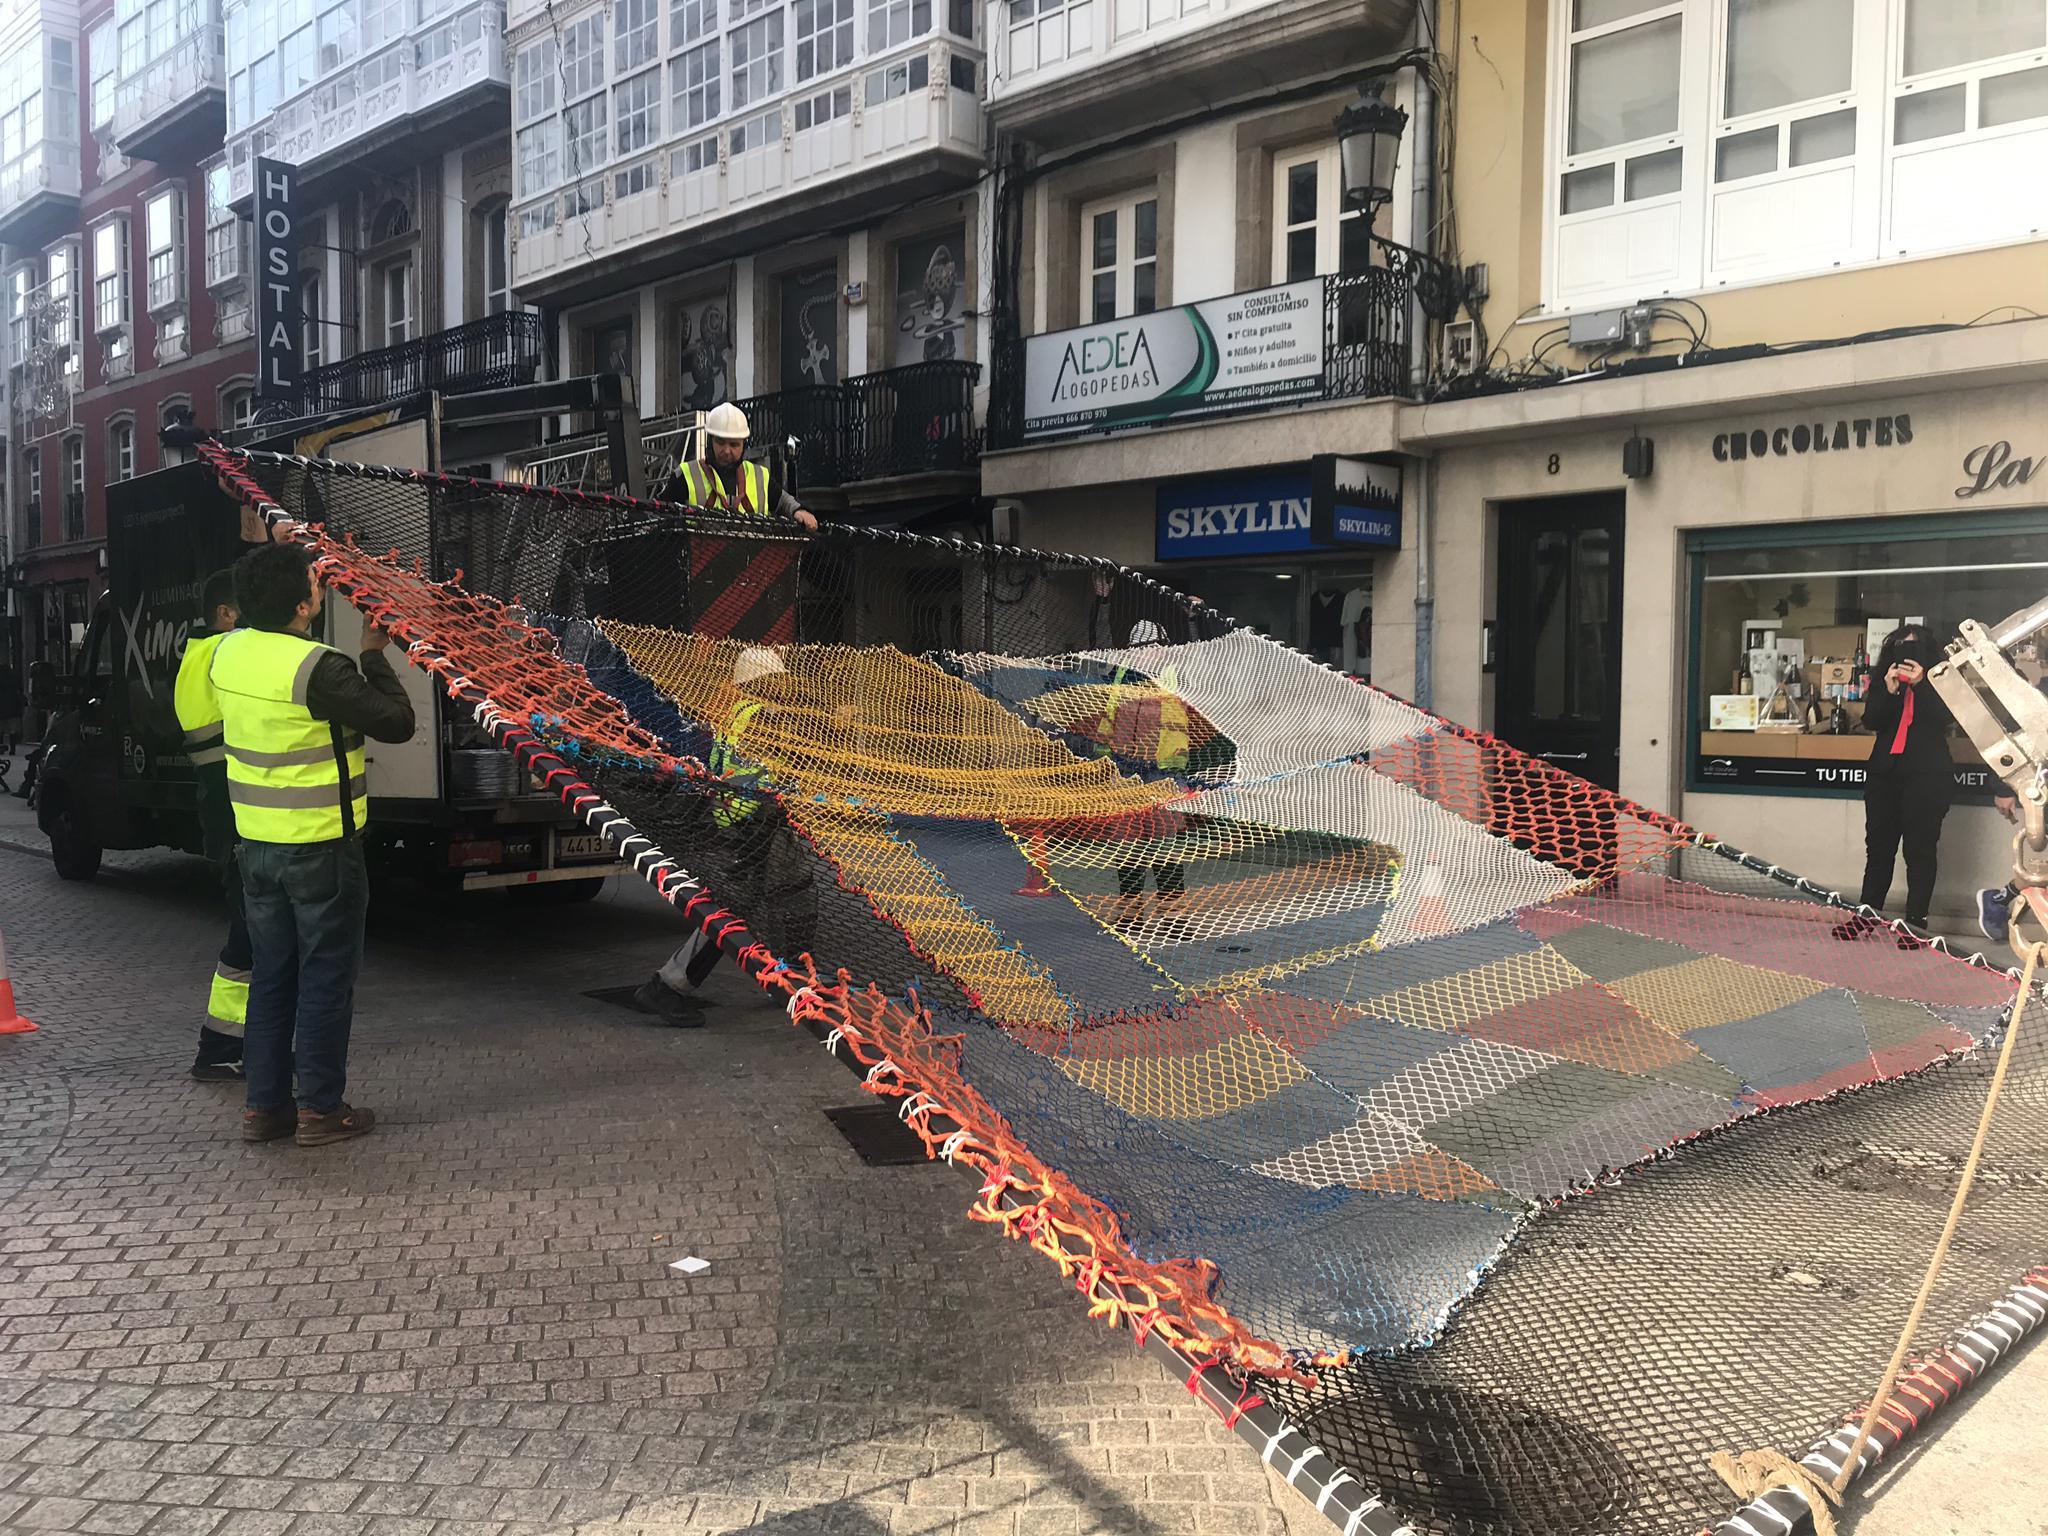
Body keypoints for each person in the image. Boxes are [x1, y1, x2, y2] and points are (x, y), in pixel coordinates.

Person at [211, 542, 416, 1145]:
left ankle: (263, 1108)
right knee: (326, 979)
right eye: (316, 583)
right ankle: (321, 1110)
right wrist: (374, 654)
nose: (321, 590)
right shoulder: (318, 667)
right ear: (303, 604)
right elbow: (397, 724)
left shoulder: (227, 654)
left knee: (272, 976)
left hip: (258, 848)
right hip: (322, 848)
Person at [633, 645, 818, 1025]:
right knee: (734, 912)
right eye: (778, 680)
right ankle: (667, 986)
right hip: (755, 823)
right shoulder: (765, 716)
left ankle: (788, 979)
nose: (785, 687)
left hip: (747, 820)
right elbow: (788, 761)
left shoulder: (739, 713)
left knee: (791, 895)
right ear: (763, 682)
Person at [174, 569, 251, 1081]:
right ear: (225, 614)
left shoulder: (198, 655)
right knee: (250, 939)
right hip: (237, 815)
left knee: (248, 938)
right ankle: (224, 1048)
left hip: (226, 815)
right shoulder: (224, 655)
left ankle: (226, 1046)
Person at [1835, 623, 1954, 945]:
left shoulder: (1944, 680)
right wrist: (1888, 690)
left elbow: (1947, 719)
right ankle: (1867, 914)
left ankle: (1916, 924)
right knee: (1878, 848)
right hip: (1884, 773)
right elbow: (1873, 721)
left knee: (1919, 850)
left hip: (1927, 774)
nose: (1905, 652)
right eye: (1900, 646)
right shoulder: (1883, 679)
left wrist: (1921, 685)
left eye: (1913, 646)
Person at [660, 402, 819, 530]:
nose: (727, 451)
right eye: (720, 442)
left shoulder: (760, 477)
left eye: (734, 444)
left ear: (744, 445)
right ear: (710, 441)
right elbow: (660, 516)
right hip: (697, 565)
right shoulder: (686, 475)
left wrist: (799, 511)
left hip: (752, 566)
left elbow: (782, 502)